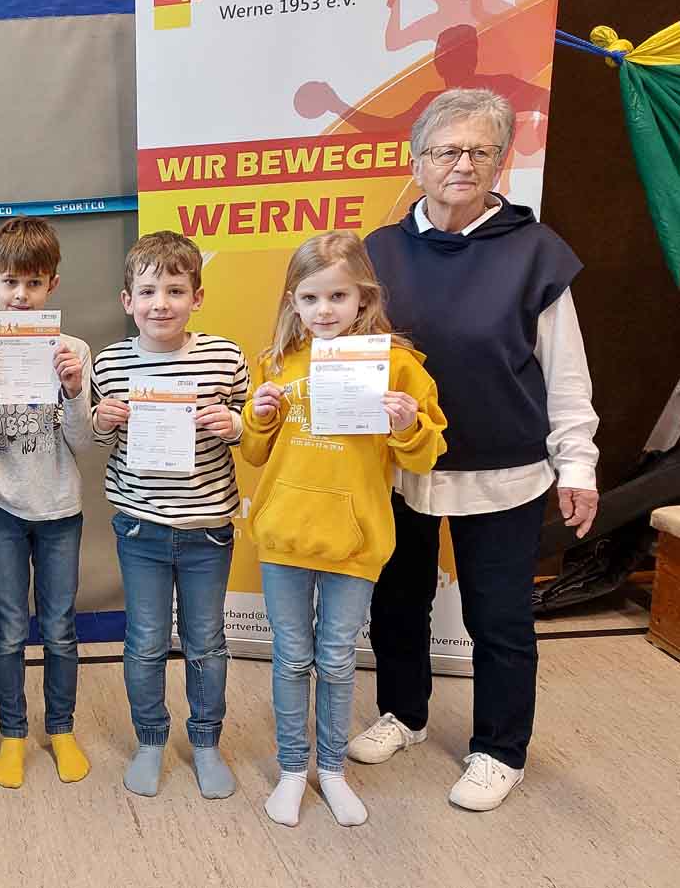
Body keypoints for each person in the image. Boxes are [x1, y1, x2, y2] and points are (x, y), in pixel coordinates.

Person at [351, 87, 599, 811]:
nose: (461, 163)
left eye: (479, 151)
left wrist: (576, 462)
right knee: (397, 603)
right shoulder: (380, 251)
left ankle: (499, 749)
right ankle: (403, 712)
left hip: (506, 470)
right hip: (400, 467)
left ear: (501, 163)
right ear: (416, 161)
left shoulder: (536, 253)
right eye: (445, 150)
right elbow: (348, 352)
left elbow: (567, 370)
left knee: (498, 617)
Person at [240, 231, 447, 828]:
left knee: (335, 658)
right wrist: (256, 418)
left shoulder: (397, 366)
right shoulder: (277, 363)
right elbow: (256, 453)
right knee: (290, 657)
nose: (324, 310)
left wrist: (408, 424)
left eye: (338, 296)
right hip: (284, 536)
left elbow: (423, 456)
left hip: (355, 540)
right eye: (310, 298)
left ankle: (330, 769)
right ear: (292, 302)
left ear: (364, 297)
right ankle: (290, 769)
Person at [90, 231, 249, 800]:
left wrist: (233, 425)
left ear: (197, 298)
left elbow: (245, 425)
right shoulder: (109, 363)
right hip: (139, 527)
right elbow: (96, 434)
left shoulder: (225, 356)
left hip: (208, 528)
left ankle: (206, 740)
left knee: (206, 642)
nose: (162, 303)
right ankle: (151, 738)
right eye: (149, 290)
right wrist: (102, 419)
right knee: (146, 640)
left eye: (176, 290)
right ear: (127, 301)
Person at [0, 217, 94, 789]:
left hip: (60, 508)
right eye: (10, 281)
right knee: (10, 629)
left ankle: (60, 729)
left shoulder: (75, 350)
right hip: (2, 508)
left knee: (60, 628)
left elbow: (85, 443)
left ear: (52, 286)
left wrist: (76, 389)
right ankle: (13, 733)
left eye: (33, 283)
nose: (20, 295)